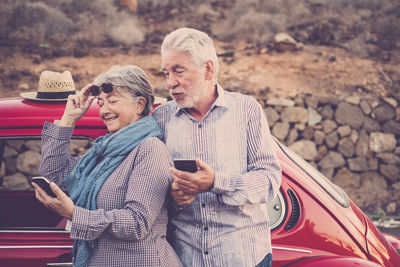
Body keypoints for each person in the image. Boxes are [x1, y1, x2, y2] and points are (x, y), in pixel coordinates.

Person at [151, 28, 282, 267]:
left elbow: (269, 180)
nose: (170, 83)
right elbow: (150, 186)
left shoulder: (246, 110)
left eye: (178, 71)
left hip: (244, 257)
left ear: (208, 69)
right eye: (166, 73)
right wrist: (174, 194)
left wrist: (214, 183)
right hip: (185, 258)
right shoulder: (160, 119)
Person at [33, 65, 182, 267]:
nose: (104, 110)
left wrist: (74, 214)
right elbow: (53, 174)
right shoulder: (102, 152)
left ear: (139, 105)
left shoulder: (150, 150)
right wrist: (69, 118)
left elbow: (137, 223)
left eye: (112, 101)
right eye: (101, 103)